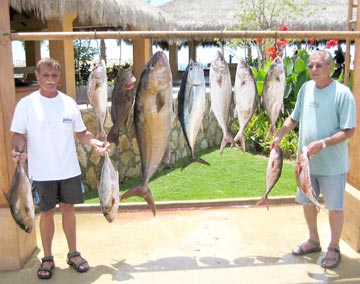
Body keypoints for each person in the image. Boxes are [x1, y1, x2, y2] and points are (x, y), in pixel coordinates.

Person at [10, 58, 110, 279]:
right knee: (46, 214)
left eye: (54, 76)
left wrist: (95, 143)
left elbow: (82, 133)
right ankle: (47, 257)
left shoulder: (68, 103)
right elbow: (18, 135)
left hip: (68, 170)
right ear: (37, 76)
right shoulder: (26, 104)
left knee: (68, 210)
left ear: (59, 77)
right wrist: (18, 150)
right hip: (41, 172)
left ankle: (73, 253)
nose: (50, 80)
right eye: (45, 75)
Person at [270, 50, 356, 269]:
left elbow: (348, 131)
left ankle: (334, 247)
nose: (313, 70)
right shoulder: (306, 89)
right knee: (308, 203)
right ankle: (313, 240)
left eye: (318, 66)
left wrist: (323, 143)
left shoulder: (343, 94)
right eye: (310, 66)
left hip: (332, 165)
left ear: (330, 68)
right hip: (305, 164)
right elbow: (294, 117)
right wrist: (280, 134)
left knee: (334, 207)